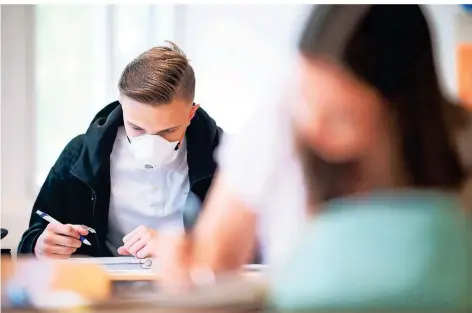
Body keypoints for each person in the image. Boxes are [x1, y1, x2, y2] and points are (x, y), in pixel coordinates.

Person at [157, 4, 472, 290]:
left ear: (400, 110)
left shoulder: (462, 141)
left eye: (339, 116)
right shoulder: (276, 128)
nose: (314, 128)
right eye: (305, 99)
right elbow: (213, 259)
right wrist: (187, 269)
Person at [18, 41, 223, 259]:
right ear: (122, 106)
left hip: (193, 289)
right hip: (104, 289)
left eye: (168, 130)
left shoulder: (225, 157)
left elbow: (254, 250)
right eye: (136, 127)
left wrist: (181, 249)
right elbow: (28, 244)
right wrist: (40, 245)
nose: (152, 145)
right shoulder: (80, 156)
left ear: (191, 114)